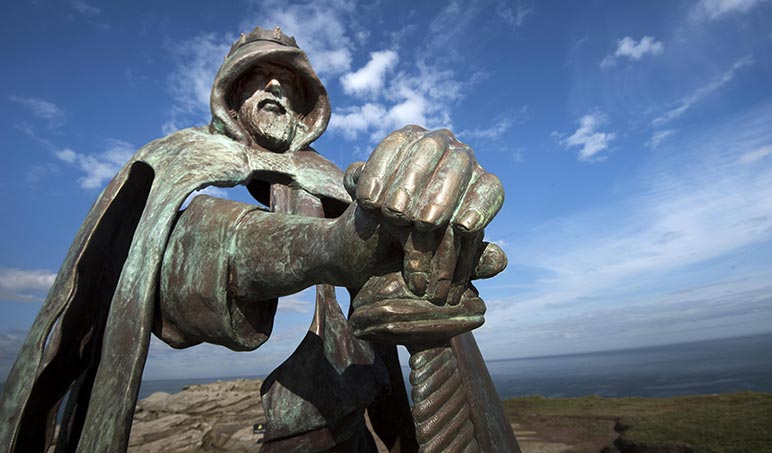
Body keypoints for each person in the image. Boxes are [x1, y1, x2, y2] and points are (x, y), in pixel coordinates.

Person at [0, 27, 508, 452]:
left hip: (358, 420)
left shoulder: (336, 179)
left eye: (290, 81)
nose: (275, 87)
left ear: (308, 102)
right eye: (257, 76)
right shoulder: (180, 157)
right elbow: (184, 254)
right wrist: (333, 248)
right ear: (230, 94)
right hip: (294, 435)